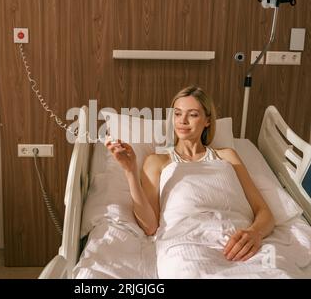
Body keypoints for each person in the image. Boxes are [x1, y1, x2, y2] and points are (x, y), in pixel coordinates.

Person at [105, 86, 275, 263]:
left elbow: (264, 212)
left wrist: (255, 233)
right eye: (177, 114)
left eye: (192, 114)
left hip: (239, 244)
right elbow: (150, 226)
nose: (182, 121)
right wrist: (130, 171)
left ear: (207, 120)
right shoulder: (157, 161)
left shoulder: (227, 156)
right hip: (186, 244)